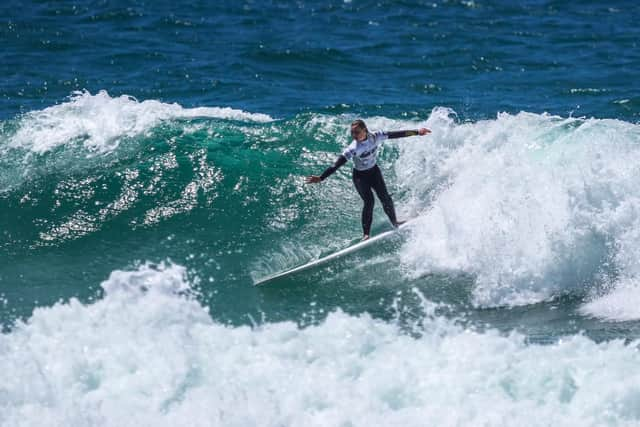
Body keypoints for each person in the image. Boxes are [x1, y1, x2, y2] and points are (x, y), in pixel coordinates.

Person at [306, 119, 431, 240]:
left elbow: (397, 134)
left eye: (357, 132)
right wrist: (321, 177)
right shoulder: (353, 148)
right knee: (369, 202)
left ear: (365, 130)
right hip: (360, 177)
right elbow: (336, 165)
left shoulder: (376, 137)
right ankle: (366, 234)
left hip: (374, 172)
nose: (354, 135)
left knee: (385, 197)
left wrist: (417, 131)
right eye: (352, 133)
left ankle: (395, 222)